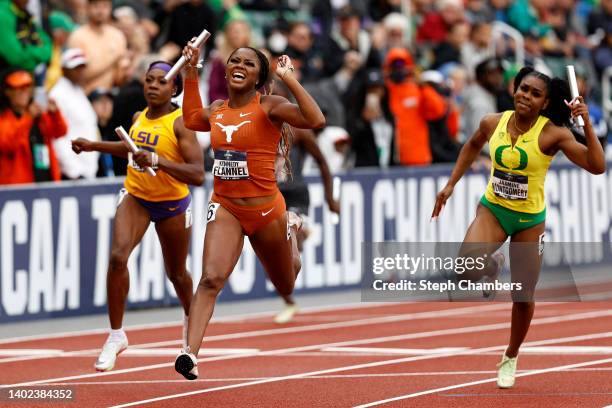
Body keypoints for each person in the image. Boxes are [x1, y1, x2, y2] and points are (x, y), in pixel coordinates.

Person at [432, 67, 605, 389]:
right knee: (465, 268)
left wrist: (588, 124)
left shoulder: (553, 133)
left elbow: (596, 166)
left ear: (545, 102)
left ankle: (510, 354)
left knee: (522, 296)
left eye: (535, 93)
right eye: (523, 89)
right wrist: (450, 184)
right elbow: (471, 146)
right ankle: (494, 264)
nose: (526, 96)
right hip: (493, 210)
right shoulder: (492, 122)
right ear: (515, 89)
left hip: (529, 222)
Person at [175, 41, 325, 380]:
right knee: (211, 278)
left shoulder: (271, 105)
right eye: (234, 60)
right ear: (226, 70)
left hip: (266, 210)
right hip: (226, 206)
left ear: (259, 76)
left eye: (249, 63)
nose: (239, 65)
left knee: (286, 282)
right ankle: (189, 353)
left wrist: (289, 78)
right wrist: (190, 70)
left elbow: (315, 119)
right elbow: (189, 118)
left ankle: (293, 237)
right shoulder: (216, 109)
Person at [71, 61, 204, 372]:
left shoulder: (181, 123)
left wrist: (157, 159)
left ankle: (191, 327)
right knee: (118, 257)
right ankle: (116, 335)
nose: (153, 86)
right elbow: (130, 148)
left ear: (174, 89)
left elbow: (197, 174)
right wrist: (93, 146)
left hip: (172, 203)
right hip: (137, 196)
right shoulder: (137, 117)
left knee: (178, 274)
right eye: (148, 80)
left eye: (161, 81)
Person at [275, 127, 340, 323]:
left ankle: (299, 232)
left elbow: (322, 161)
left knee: (289, 242)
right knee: (272, 254)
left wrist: (330, 198)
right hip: (270, 194)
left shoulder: (299, 132)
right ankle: (289, 302)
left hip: (294, 193)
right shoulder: (255, 127)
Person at [0, 68, 66, 184]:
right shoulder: (4, 119)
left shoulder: (38, 114)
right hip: (18, 188)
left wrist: (55, 113)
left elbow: (60, 132)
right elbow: (7, 144)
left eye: (27, 87)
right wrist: (28, 117)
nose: (24, 92)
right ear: (7, 91)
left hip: (47, 180)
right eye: (19, 88)